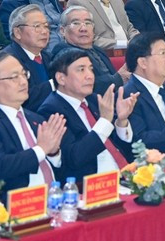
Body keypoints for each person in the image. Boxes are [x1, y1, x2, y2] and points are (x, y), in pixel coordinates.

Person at [0, 51, 65, 195]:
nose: (24, 82)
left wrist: (54, 153)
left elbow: (60, 168)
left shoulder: (36, 118)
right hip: (16, 206)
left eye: (24, 74)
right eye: (14, 77)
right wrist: (41, 150)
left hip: (54, 197)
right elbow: (0, 167)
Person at [38, 48, 138, 182]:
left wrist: (122, 121)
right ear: (61, 78)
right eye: (81, 70)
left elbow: (122, 146)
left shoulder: (94, 100)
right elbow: (74, 158)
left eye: (91, 69)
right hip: (93, 185)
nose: (90, 75)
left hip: (127, 175)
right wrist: (104, 122)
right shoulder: (50, 110)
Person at [4, 5, 53, 112]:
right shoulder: (8, 61)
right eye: (37, 26)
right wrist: (55, 84)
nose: (44, 31)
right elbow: (23, 100)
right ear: (17, 32)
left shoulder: (47, 57)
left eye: (46, 26)